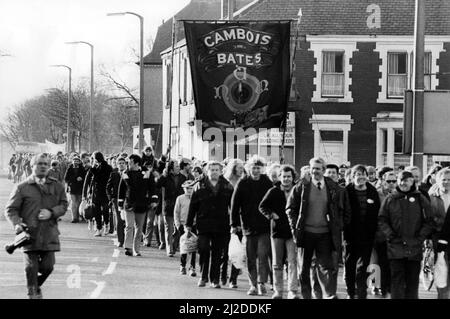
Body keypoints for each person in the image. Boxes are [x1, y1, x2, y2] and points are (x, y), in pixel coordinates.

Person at [4, 153, 68, 299]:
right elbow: (10, 209)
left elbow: (64, 205)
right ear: (32, 166)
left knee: (48, 267)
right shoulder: (22, 187)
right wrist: (17, 224)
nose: (43, 166)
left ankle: (35, 286)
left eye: (46, 164)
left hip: (49, 233)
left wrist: (51, 212)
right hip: (29, 234)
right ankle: (32, 293)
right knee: (31, 267)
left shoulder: (56, 186)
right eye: (40, 163)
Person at [286, 157, 346, 299]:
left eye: (318, 169)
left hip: (325, 234)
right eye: (312, 168)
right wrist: (295, 228)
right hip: (305, 233)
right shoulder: (301, 186)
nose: (314, 171)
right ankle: (307, 295)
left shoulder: (332, 187)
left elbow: (341, 210)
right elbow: (290, 209)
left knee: (325, 267)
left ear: (323, 170)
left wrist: (338, 225)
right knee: (304, 269)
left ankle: (328, 294)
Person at [378, 170, 434, 299]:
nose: (403, 183)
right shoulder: (391, 198)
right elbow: (382, 219)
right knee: (396, 281)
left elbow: (429, 221)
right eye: (401, 180)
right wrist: (390, 235)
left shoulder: (420, 198)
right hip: (395, 248)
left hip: (414, 248)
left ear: (412, 182)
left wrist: (420, 238)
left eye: (407, 180)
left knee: (412, 282)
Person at [186, 161, 234, 288]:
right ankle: (203, 276)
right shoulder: (199, 185)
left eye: (216, 170)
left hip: (221, 224)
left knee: (218, 252)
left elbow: (233, 207)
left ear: (221, 171)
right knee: (203, 249)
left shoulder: (227, 186)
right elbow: (193, 206)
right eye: (211, 169)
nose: (214, 172)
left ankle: (215, 279)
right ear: (207, 171)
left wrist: (234, 223)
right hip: (203, 224)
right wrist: (189, 224)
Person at [231, 155, 273, 296]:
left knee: (262, 255)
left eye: (258, 168)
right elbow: (235, 204)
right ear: (249, 169)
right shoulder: (243, 183)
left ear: (262, 169)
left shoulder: (267, 182)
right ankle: (253, 284)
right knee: (250, 257)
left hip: (264, 225)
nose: (255, 170)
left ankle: (261, 283)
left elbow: (274, 200)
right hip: (248, 225)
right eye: (253, 168)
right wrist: (234, 223)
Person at [259, 164, 299, 299]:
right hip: (277, 232)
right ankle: (278, 291)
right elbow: (262, 206)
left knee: (293, 262)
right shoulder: (273, 191)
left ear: (293, 177)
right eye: (284, 176)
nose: (286, 179)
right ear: (280, 177)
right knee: (277, 264)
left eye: (289, 176)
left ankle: (292, 290)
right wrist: (271, 215)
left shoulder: (298, 190)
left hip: (293, 232)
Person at [343, 165, 380, 299]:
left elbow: (377, 211)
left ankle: (362, 293)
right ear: (353, 177)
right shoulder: (347, 191)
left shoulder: (372, 191)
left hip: (368, 235)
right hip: (351, 234)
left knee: (363, 266)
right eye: (357, 174)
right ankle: (351, 292)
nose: (361, 177)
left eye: (363, 174)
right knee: (350, 264)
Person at [118, 154, 156, 257]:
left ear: (136, 163)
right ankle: (128, 247)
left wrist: (153, 200)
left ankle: (136, 249)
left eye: (130, 162)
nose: (128, 164)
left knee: (139, 228)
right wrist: (120, 203)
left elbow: (152, 188)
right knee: (129, 226)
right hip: (129, 204)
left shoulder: (146, 173)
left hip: (142, 204)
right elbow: (121, 190)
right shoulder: (125, 173)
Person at [222, 158, 245, 288]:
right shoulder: (226, 182)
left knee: (237, 250)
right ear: (233, 168)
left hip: (238, 219)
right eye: (239, 168)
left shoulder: (243, 182)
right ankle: (223, 273)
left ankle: (233, 278)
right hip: (225, 218)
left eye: (242, 168)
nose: (241, 170)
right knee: (224, 249)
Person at [373, 168, 396, 297]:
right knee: (381, 261)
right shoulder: (377, 194)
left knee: (392, 262)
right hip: (381, 234)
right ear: (383, 181)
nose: (391, 183)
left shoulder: (399, 195)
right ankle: (381, 285)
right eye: (389, 181)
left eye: (394, 181)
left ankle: (390, 286)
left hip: (396, 235)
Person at [156, 160, 186, 257]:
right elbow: (157, 185)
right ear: (171, 168)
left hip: (179, 207)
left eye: (178, 166)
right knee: (169, 228)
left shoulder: (183, 178)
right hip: (168, 206)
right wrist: (163, 175)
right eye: (176, 166)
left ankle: (174, 245)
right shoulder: (165, 177)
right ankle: (169, 249)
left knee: (178, 228)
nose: (178, 167)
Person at [428, 167, 450, 298]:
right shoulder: (432, 197)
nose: (446, 182)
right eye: (444, 179)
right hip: (438, 238)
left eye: (449, 180)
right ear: (438, 181)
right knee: (441, 270)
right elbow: (428, 218)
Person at [83, 151, 113, 237]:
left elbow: (99, 176)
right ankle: (100, 228)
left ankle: (105, 224)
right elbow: (91, 180)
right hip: (96, 192)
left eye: (93, 158)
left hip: (104, 191)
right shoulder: (95, 167)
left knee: (104, 210)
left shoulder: (106, 167)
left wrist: (92, 168)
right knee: (97, 211)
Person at [174, 180, 197, 277]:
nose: (189, 190)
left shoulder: (196, 198)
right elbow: (176, 212)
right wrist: (178, 224)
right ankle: (182, 265)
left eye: (191, 188)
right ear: (184, 188)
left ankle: (192, 267)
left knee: (193, 247)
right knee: (184, 247)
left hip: (194, 224)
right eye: (187, 188)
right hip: (183, 225)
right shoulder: (180, 198)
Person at [106, 156, 127, 247]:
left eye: (123, 163)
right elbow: (108, 187)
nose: (121, 165)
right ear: (117, 165)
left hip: (127, 200)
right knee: (119, 219)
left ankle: (128, 240)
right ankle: (120, 240)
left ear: (126, 164)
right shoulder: (114, 174)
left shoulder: (128, 174)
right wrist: (111, 198)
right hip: (116, 199)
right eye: (120, 163)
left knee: (128, 221)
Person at [64, 156, 87, 223]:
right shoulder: (69, 168)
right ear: (72, 161)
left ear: (79, 162)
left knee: (79, 202)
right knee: (74, 203)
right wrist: (74, 179)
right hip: (72, 188)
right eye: (74, 161)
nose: (76, 162)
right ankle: (74, 218)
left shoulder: (82, 168)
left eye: (77, 161)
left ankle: (80, 215)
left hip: (80, 188)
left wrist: (81, 178)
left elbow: (85, 177)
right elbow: (66, 178)